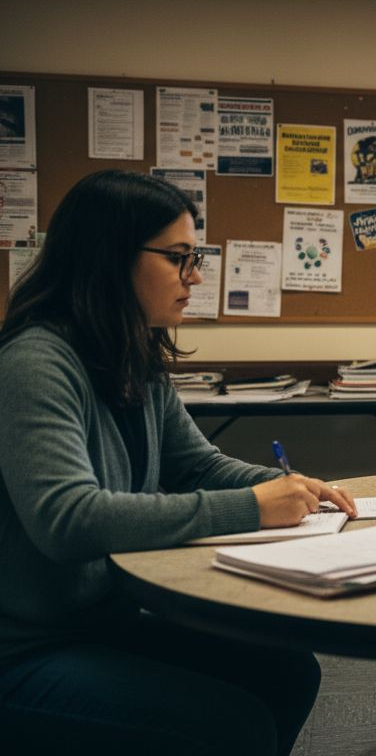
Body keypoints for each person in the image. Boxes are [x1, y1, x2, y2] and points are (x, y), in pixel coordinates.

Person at [0, 169, 356, 755]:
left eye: (197, 258)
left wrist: (291, 486)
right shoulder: (35, 361)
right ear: (110, 257)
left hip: (99, 622)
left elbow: (198, 465)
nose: (195, 277)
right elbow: (67, 520)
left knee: (288, 670)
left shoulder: (131, 355)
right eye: (179, 258)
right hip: (26, 645)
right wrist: (250, 507)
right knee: (229, 726)